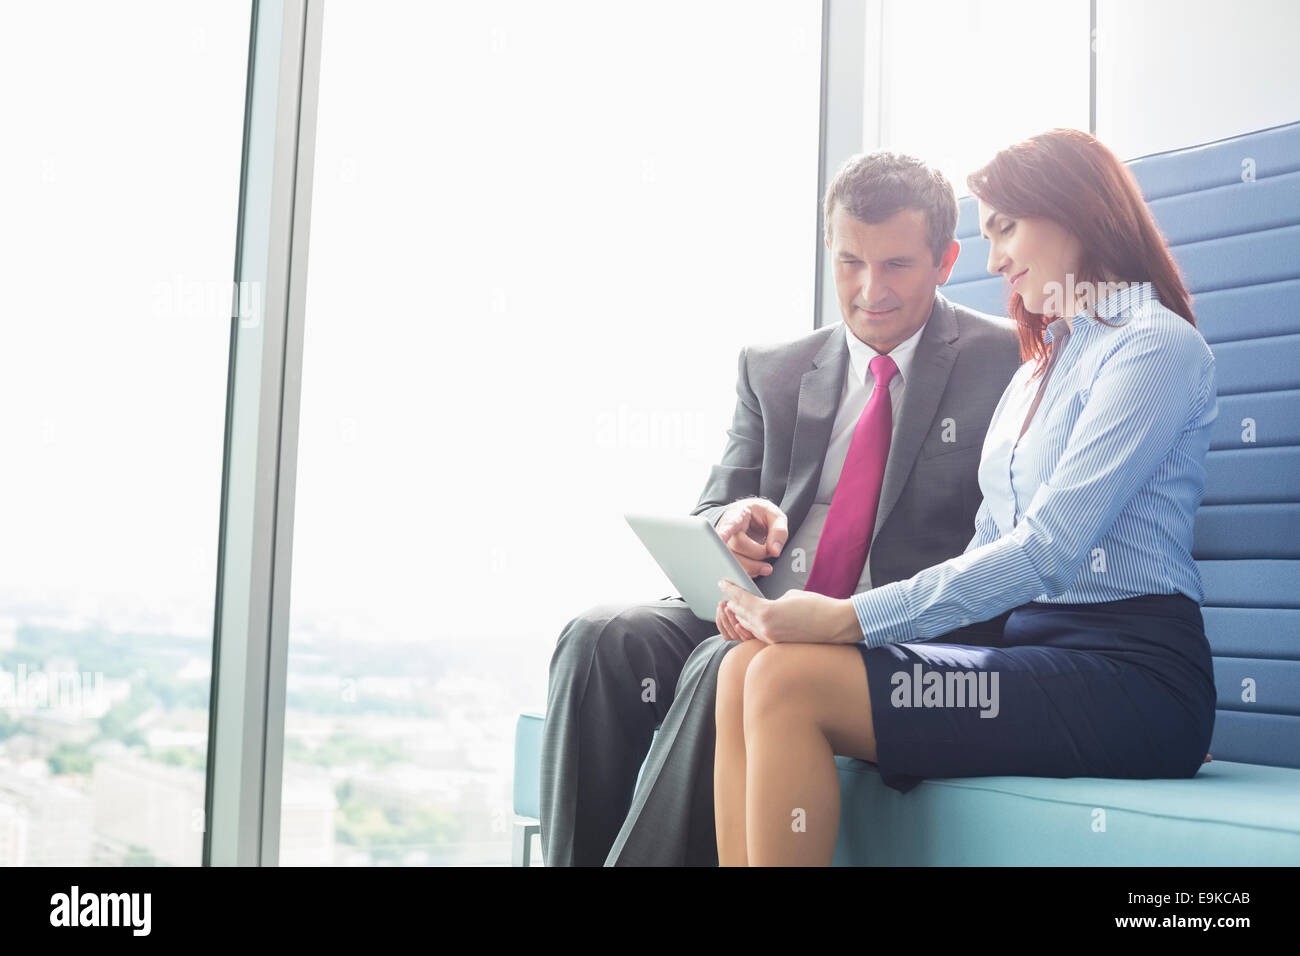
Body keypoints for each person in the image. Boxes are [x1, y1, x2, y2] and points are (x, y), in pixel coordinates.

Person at [715, 127, 1219, 866]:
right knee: (743, 670)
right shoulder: (1036, 371)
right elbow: (988, 548)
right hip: (1022, 659)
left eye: (1006, 228)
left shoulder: (1154, 347)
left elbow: (1047, 549)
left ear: (1075, 210)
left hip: (1129, 678)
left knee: (789, 682)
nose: (994, 261)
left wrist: (849, 620)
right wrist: (852, 630)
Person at [540, 151, 1022, 866]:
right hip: (756, 606)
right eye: (851, 262)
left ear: (946, 259)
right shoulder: (774, 368)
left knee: (720, 663)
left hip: (880, 631)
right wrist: (728, 525)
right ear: (830, 247)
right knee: (599, 637)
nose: (870, 290)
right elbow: (714, 501)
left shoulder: (1008, 362)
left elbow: (1008, 547)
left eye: (896, 265)